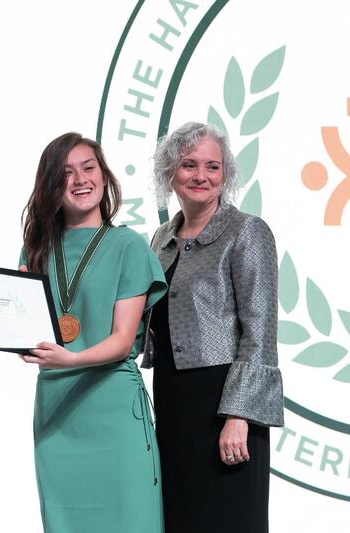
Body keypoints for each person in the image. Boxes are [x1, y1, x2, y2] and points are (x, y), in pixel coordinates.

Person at [19, 133, 167, 533]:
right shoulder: (36, 250)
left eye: (89, 168)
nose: (80, 179)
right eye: (65, 173)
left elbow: (122, 340)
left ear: (104, 176)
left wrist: (70, 358)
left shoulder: (129, 246)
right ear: (51, 185)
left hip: (113, 408)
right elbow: (22, 330)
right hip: (57, 412)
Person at [144, 121, 284, 533]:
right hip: (173, 400)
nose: (200, 176)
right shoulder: (161, 238)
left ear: (226, 175)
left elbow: (260, 329)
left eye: (213, 167)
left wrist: (238, 416)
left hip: (225, 402)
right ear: (171, 173)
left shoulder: (247, 231)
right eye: (189, 165)